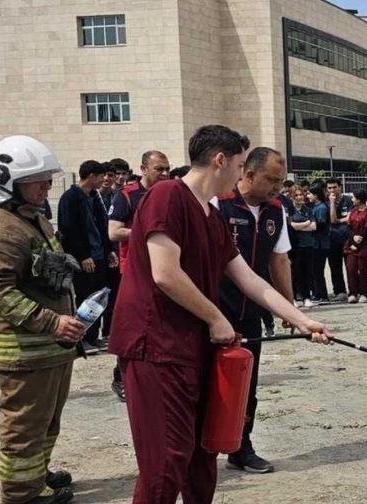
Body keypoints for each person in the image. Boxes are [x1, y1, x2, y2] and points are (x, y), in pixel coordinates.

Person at [108, 125, 330, 504]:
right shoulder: (167, 196)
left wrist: (300, 318)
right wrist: (216, 317)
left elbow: (248, 278)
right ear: (220, 160)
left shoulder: (210, 215)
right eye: (241, 165)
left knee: (202, 453)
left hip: (191, 349)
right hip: (156, 347)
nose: (242, 174)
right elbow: (165, 273)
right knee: (166, 461)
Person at [0, 135, 85, 504]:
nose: (46, 185)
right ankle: (21, 494)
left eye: (48, 177)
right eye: (38, 179)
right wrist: (51, 322)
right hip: (26, 350)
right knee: (25, 426)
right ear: (9, 180)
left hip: (49, 348)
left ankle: (37, 474)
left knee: (46, 422)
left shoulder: (31, 218)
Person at [214, 146, 293, 474]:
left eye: (281, 181)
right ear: (247, 174)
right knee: (208, 380)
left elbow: (279, 259)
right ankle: (200, 447)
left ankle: (240, 446)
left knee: (247, 383)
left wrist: (288, 308)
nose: (277, 187)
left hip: (251, 313)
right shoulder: (218, 204)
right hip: (215, 311)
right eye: (272, 180)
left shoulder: (276, 211)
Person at [107, 150, 170, 401]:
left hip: (165, 268)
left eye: (167, 169)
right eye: (159, 169)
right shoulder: (127, 196)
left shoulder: (170, 194)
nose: (164, 174)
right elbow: (114, 232)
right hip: (134, 271)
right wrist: (148, 232)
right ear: (143, 169)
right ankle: (121, 376)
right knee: (135, 327)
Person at [57, 160, 118, 354]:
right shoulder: (71, 198)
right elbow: (69, 229)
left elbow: (102, 225)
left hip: (99, 256)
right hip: (83, 259)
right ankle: (81, 339)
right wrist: (83, 255)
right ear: (91, 176)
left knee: (98, 298)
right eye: (101, 176)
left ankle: (93, 337)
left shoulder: (94, 197)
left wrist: (108, 250)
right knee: (84, 298)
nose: (104, 180)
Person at [344, 190, 367, 303]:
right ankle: (352, 292)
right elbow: (348, 227)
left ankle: (363, 293)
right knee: (350, 268)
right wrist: (353, 240)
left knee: (363, 270)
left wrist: (358, 241)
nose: (352, 200)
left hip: (365, 246)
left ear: (359, 199)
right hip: (351, 245)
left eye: (353, 198)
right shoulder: (353, 211)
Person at [289, 185, 316, 308]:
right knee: (294, 272)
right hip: (295, 245)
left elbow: (314, 227)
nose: (299, 197)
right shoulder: (289, 210)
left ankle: (306, 297)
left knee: (307, 272)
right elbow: (291, 226)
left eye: (301, 195)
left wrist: (299, 226)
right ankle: (293, 297)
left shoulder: (308, 209)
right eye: (296, 195)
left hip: (308, 244)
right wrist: (306, 223)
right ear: (292, 197)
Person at [326, 178, 352, 300]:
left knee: (350, 266)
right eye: (330, 188)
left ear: (340, 187)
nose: (332, 190)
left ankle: (353, 290)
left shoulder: (348, 200)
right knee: (335, 266)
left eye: (334, 187)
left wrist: (339, 220)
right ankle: (340, 291)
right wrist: (332, 203)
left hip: (346, 238)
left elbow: (350, 217)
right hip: (332, 239)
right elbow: (331, 220)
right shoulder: (326, 202)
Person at [307, 184, 331, 304]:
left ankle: (323, 295)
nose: (308, 196)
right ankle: (318, 294)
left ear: (315, 195)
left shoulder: (321, 208)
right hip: (315, 243)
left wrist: (309, 227)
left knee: (318, 270)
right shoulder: (314, 207)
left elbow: (320, 225)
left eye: (309, 194)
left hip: (320, 244)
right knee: (314, 270)